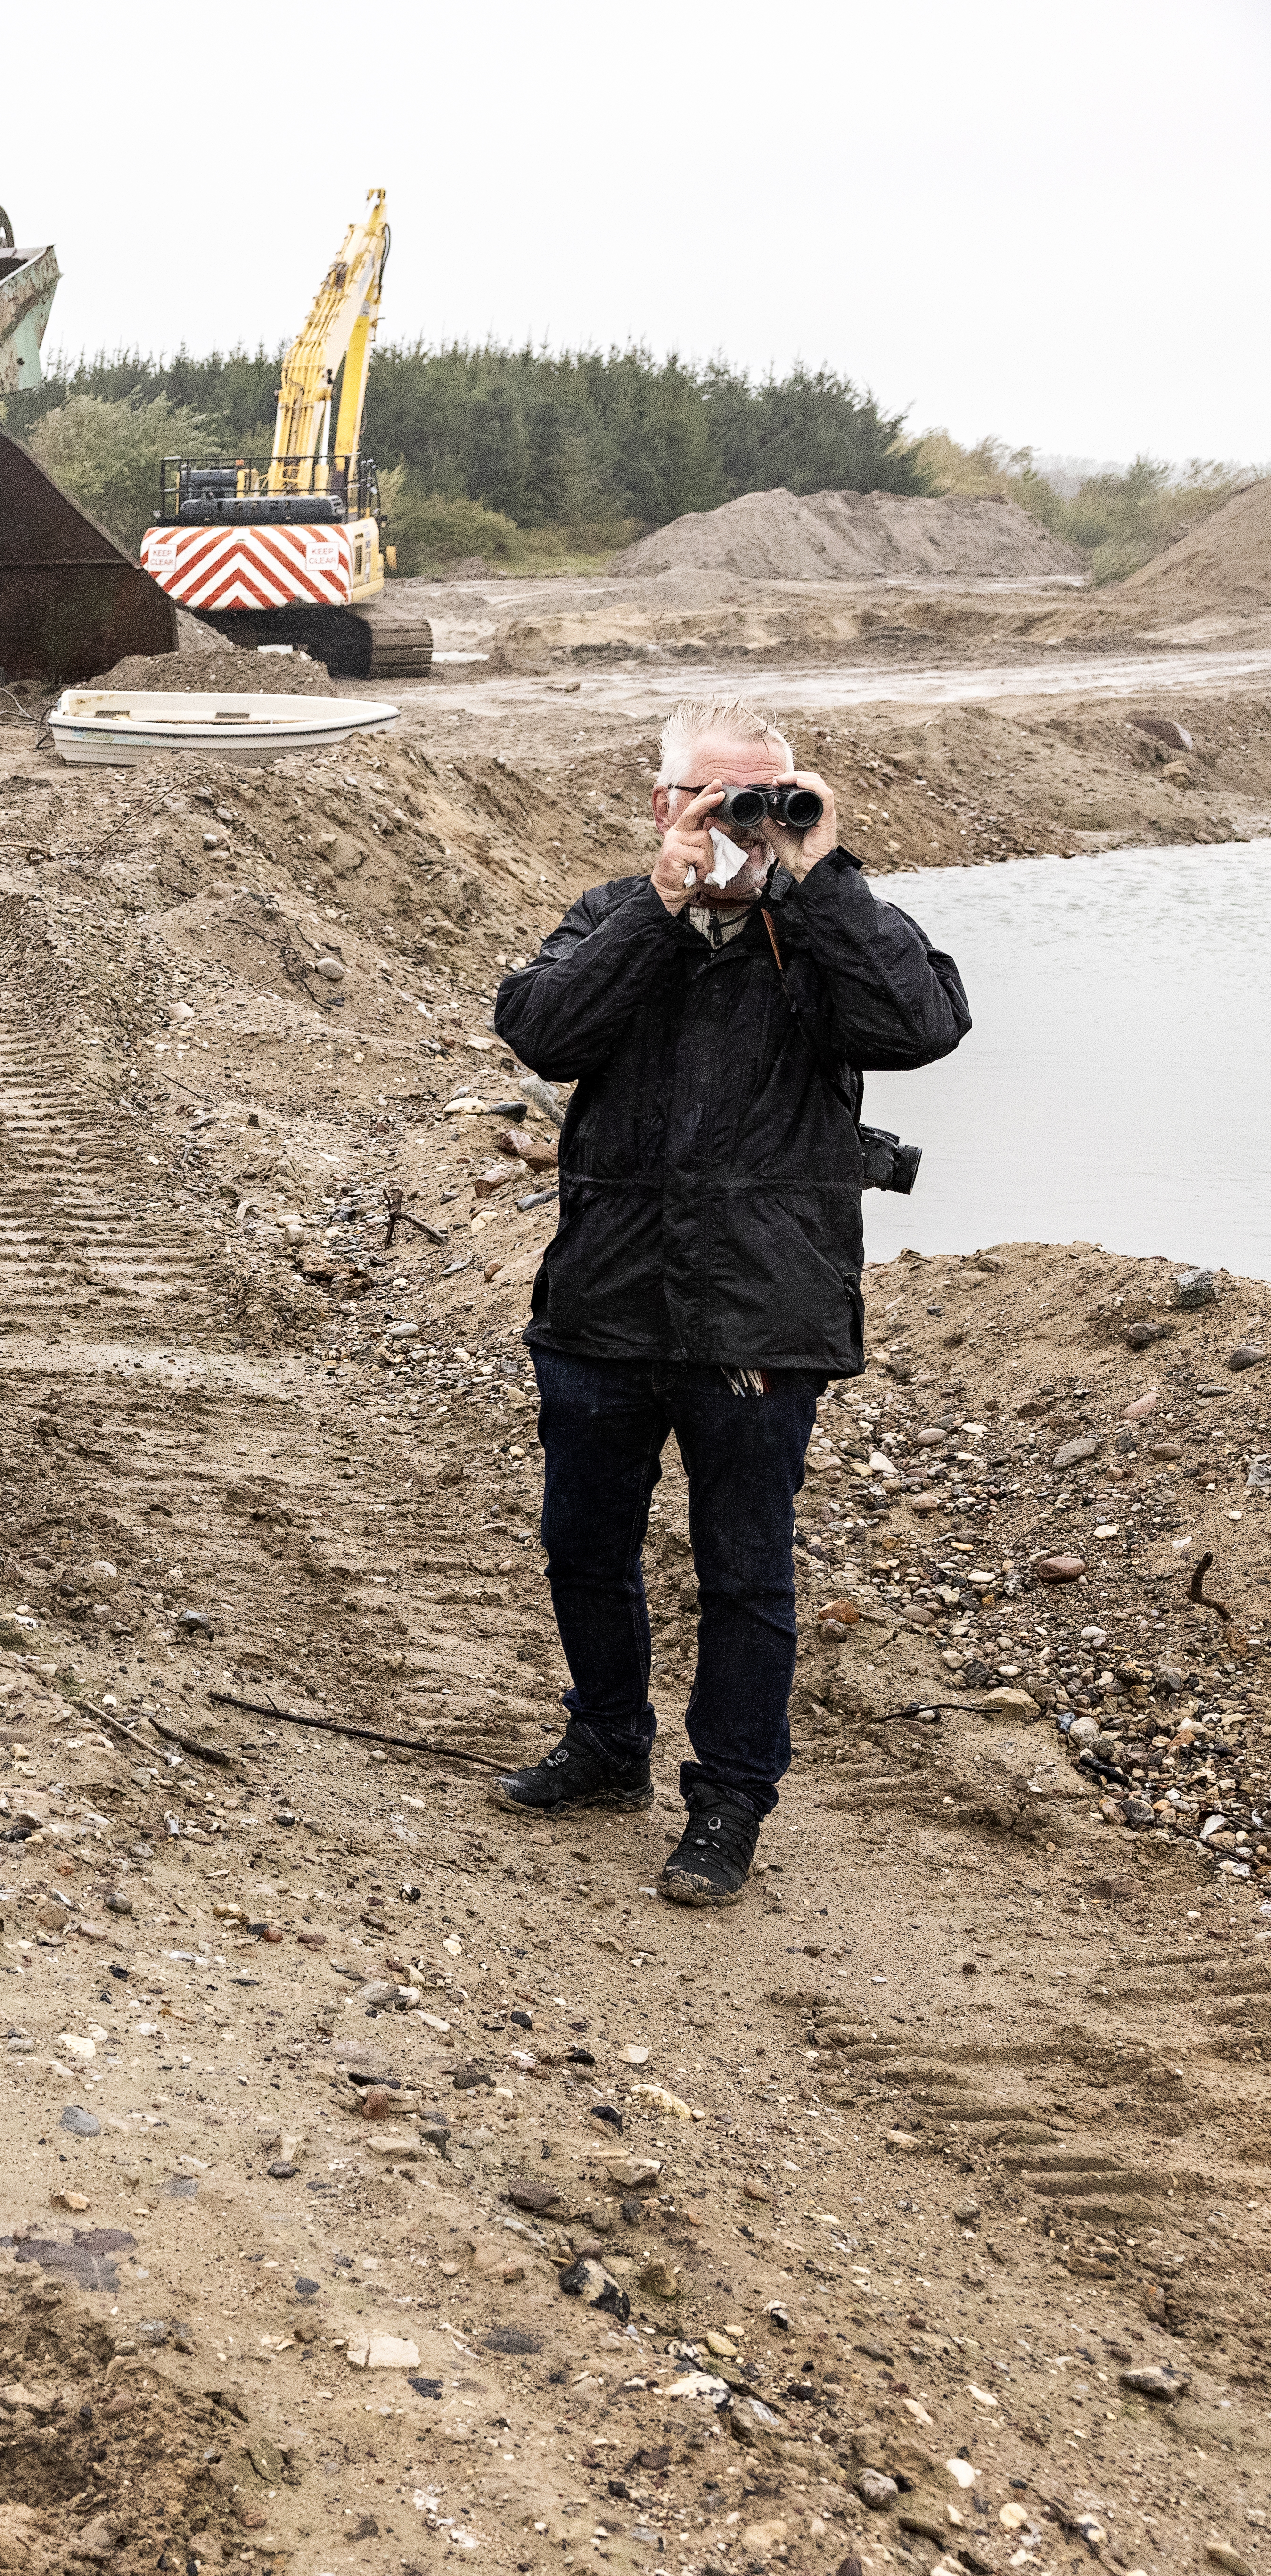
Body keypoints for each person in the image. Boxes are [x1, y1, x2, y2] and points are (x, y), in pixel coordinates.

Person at [490, 699, 970, 1908]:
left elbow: (922, 1022)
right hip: (607, 1298)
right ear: (666, 804)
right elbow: (542, 1031)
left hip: (762, 1316)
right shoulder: (612, 915)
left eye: (771, 798)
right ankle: (605, 1744)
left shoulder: (818, 933)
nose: (746, 823)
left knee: (743, 1570)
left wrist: (818, 877)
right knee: (582, 1545)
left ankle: (730, 1804)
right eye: (722, 800)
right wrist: (661, 901)